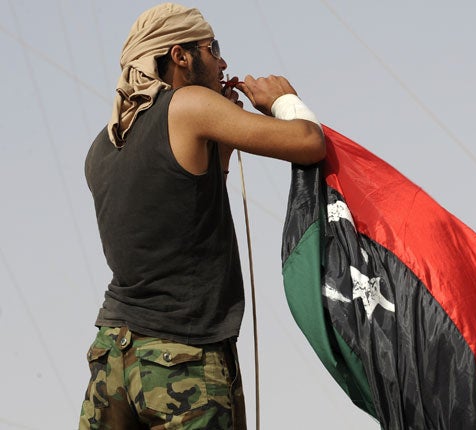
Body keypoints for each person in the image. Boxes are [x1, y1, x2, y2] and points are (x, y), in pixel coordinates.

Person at [79, 3, 325, 429]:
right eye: (213, 48)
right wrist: (284, 100)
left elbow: (183, 215)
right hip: (183, 358)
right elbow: (308, 142)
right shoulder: (189, 105)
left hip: (112, 357)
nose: (223, 61)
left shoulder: (103, 145)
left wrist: (221, 151)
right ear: (180, 55)